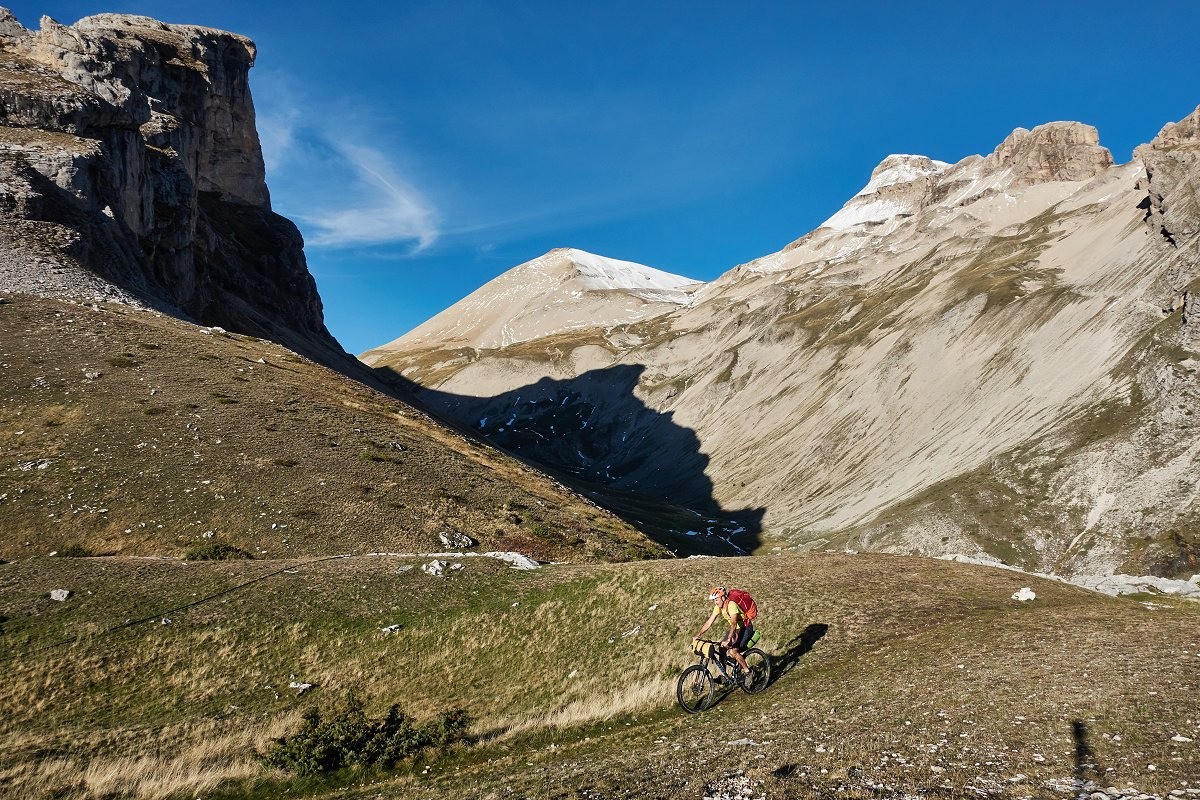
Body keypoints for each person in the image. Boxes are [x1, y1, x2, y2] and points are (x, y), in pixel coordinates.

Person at [693, 586, 755, 687]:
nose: (715, 602)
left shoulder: (731, 605)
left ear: (723, 597)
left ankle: (748, 672)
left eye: (716, 599)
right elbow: (709, 622)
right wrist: (698, 635)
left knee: (733, 651)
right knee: (721, 649)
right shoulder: (718, 607)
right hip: (734, 630)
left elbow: (734, 623)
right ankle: (725, 676)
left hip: (745, 628)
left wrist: (729, 639)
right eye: (714, 600)